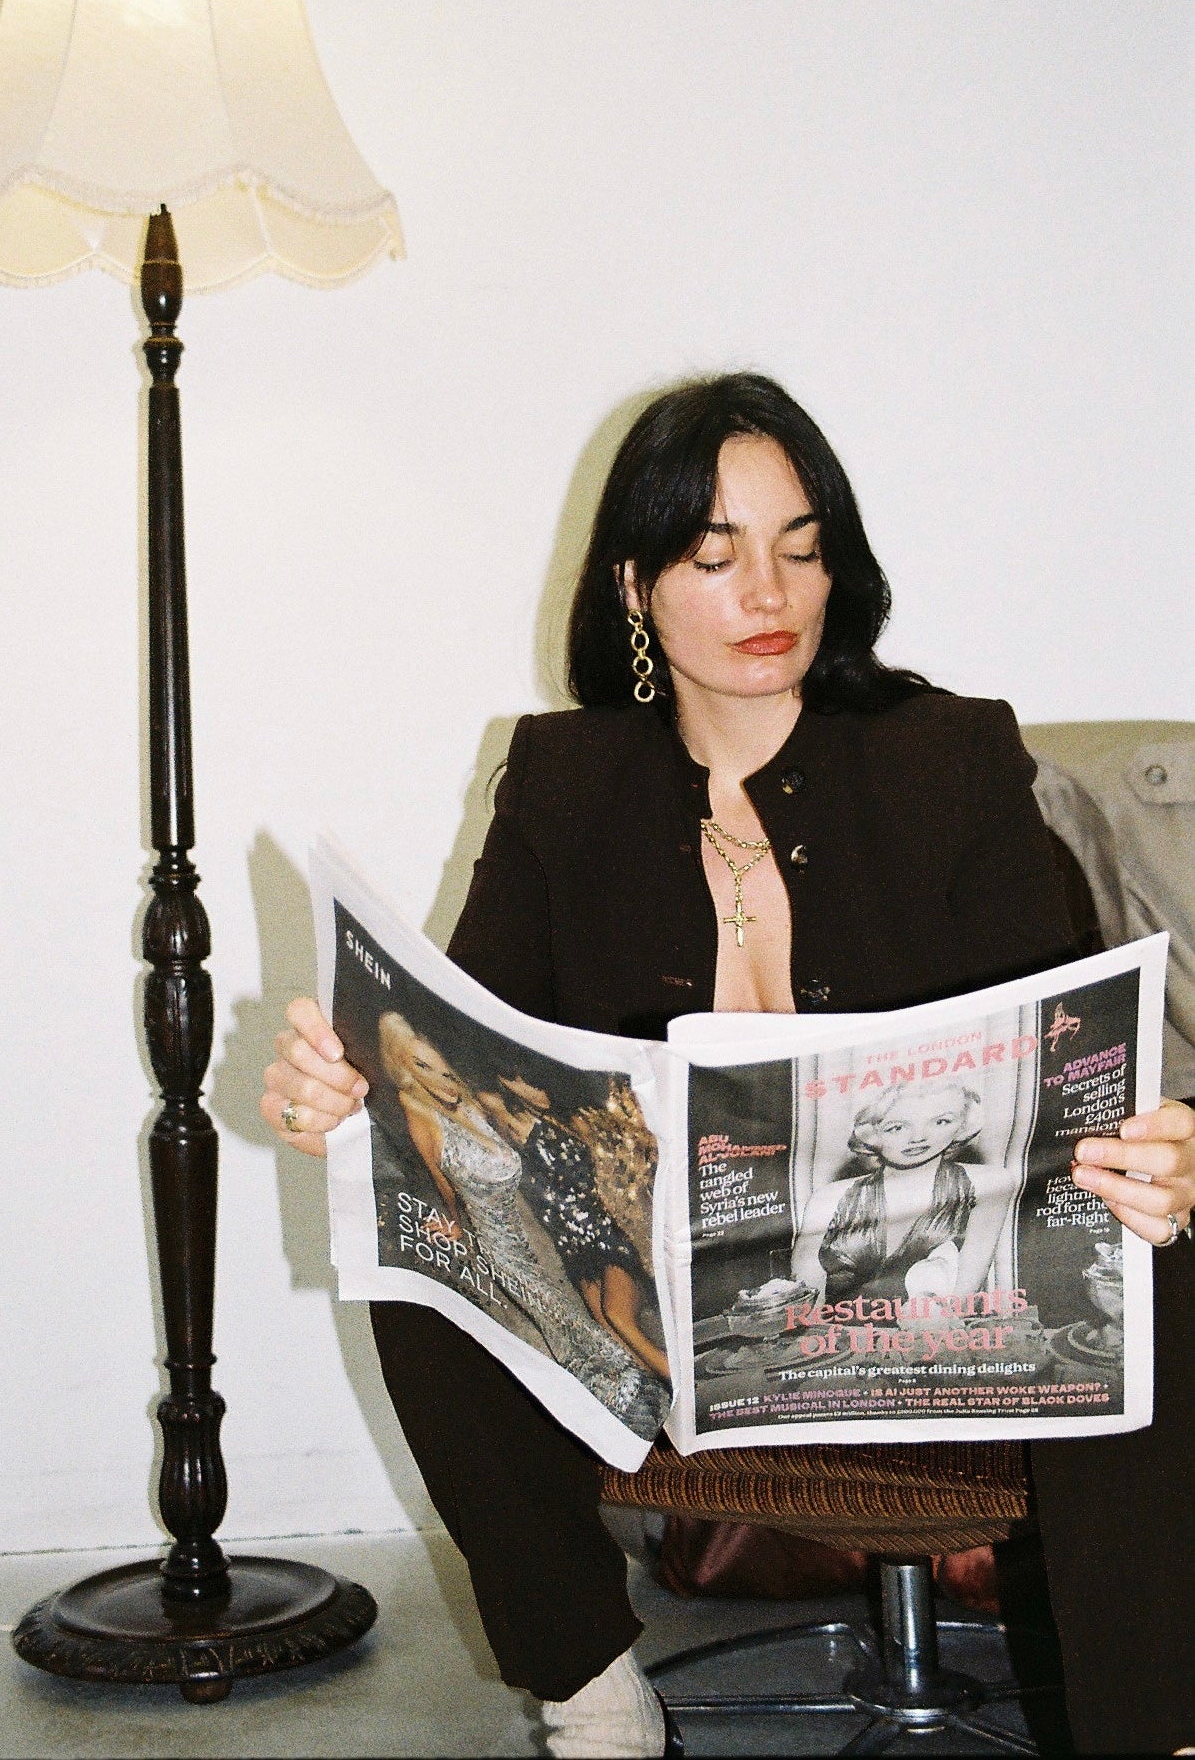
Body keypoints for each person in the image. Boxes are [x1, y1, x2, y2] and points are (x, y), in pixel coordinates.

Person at [262, 373, 1195, 1757]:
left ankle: (1156, 1730)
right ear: (635, 586)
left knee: (1147, 1259)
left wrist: (1158, 1152)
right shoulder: (562, 782)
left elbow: (1065, 1056)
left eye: (800, 549)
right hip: (661, 1301)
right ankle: (591, 1691)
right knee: (428, 1242)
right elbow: (464, 1053)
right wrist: (351, 1094)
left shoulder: (948, 759)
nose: (769, 592)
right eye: (714, 557)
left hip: (933, 1279)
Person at [377, 1013, 668, 1441]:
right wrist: (454, 1225)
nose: (440, 1079)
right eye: (422, 1067)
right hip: (523, 1251)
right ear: (405, 1068)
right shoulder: (425, 1111)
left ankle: (674, 1401)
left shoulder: (488, 1108)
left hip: (582, 1238)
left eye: (444, 1069)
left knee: (612, 1322)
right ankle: (641, 1416)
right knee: (589, 1335)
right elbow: (444, 1183)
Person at [475, 1075, 671, 1382]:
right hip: (572, 1248)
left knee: (616, 1314)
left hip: (606, 1235)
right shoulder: (506, 1115)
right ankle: (660, 1392)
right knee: (610, 1335)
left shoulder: (574, 1119)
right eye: (517, 1082)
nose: (532, 1090)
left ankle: (684, 1385)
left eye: (532, 1080)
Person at [792, 1079, 1011, 1304]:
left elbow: (962, 1297)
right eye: (897, 1127)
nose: (918, 1138)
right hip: (834, 1325)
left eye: (941, 1121)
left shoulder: (989, 1183)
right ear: (871, 1133)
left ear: (962, 1126)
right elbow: (802, 1301)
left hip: (936, 1323)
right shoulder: (828, 1199)